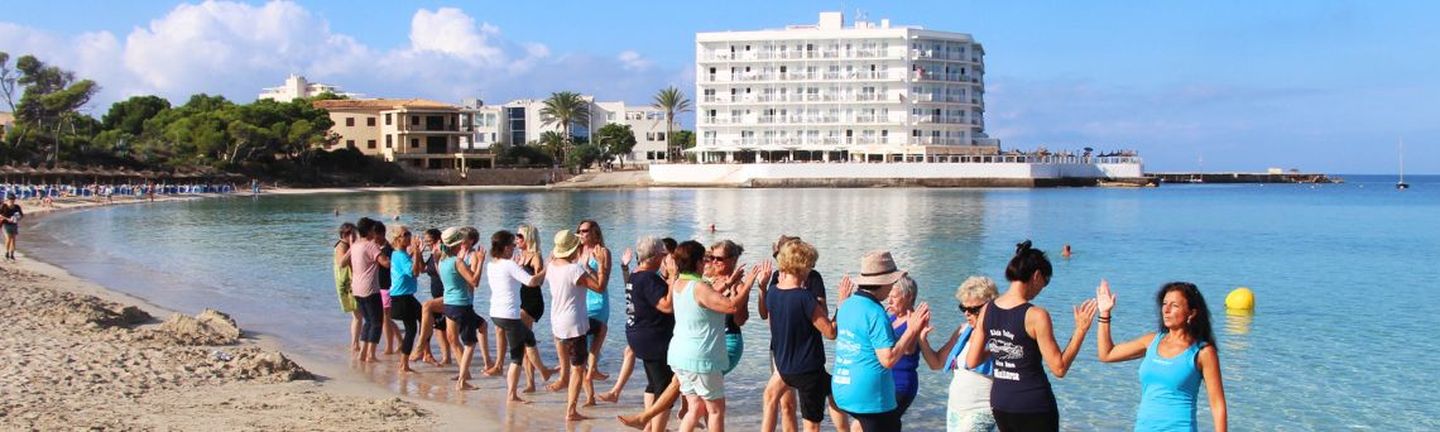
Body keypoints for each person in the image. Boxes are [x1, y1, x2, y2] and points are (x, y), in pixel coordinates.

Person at [965, 241, 1098, 431]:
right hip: (1033, 405)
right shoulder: (1036, 315)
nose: (1041, 290)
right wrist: (1080, 331)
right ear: (1036, 276)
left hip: (1001, 403)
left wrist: (999, 348)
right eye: (1044, 283)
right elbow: (1059, 368)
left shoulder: (987, 309)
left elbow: (972, 360)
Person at [1095, 281, 1228, 431]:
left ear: (1192, 313)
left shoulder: (1203, 352)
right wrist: (1104, 314)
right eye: (1164, 304)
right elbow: (1106, 354)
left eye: (1175, 305)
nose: (1166, 310)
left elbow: (1218, 406)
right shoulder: (1151, 341)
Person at [832, 250, 930, 432]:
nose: (891, 289)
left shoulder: (845, 305)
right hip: (871, 397)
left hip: (843, 388)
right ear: (884, 283)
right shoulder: (876, 313)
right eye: (892, 282)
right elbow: (888, 359)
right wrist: (913, 330)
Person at [668, 240, 751, 432]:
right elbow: (730, 306)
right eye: (707, 259)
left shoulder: (679, 283)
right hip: (701, 357)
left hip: (679, 355)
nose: (709, 263)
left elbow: (710, 301)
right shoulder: (699, 286)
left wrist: (731, 284)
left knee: (695, 407)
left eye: (715, 259)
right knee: (715, 410)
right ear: (698, 262)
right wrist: (749, 284)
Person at [768, 240, 850, 432]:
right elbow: (831, 332)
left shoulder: (772, 292)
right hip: (807, 371)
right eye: (810, 265)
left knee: (833, 389)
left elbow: (774, 326)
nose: (811, 269)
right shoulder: (805, 298)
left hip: (785, 367)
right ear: (801, 266)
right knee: (812, 425)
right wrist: (842, 304)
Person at [920, 276, 1000, 432]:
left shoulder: (998, 334)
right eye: (964, 308)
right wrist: (922, 339)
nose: (967, 314)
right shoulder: (962, 331)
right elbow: (936, 363)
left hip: (982, 411)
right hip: (955, 410)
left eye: (974, 310)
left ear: (990, 306)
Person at [758, 235, 820, 432]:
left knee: (803, 407)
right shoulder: (776, 281)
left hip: (803, 352)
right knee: (784, 404)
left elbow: (822, 317)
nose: (779, 260)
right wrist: (761, 288)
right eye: (777, 255)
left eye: (781, 255)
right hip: (780, 349)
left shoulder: (813, 278)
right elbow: (765, 315)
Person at [484, 230, 554, 403]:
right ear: (506, 247)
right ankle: (512, 395)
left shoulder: (492, 264)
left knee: (529, 338)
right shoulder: (509, 265)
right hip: (509, 315)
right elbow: (531, 281)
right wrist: (548, 267)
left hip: (495, 313)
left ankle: (543, 371)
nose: (515, 248)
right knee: (516, 357)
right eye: (513, 245)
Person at [616, 236, 676, 431]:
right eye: (663, 255)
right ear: (655, 256)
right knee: (666, 389)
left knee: (654, 383)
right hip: (653, 339)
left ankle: (650, 425)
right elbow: (666, 306)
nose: (665, 259)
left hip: (638, 335)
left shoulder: (635, 274)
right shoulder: (649, 278)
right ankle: (652, 426)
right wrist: (674, 276)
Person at [546, 229, 606, 421]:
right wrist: (600, 265)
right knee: (578, 369)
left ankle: (575, 373)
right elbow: (599, 287)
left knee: (600, 328)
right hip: (574, 324)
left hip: (557, 321)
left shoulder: (551, 266)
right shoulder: (574, 270)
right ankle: (571, 411)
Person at [441, 227, 490, 390]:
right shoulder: (458, 262)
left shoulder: (442, 261)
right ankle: (462, 381)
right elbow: (474, 282)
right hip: (461, 305)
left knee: (480, 326)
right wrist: (481, 261)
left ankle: (482, 363)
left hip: (448, 305)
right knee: (470, 344)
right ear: (457, 244)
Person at [576, 219, 614, 404]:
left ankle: (594, 368)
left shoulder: (603, 252)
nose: (581, 234)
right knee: (582, 350)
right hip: (581, 301)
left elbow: (603, 284)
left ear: (595, 233)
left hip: (598, 303)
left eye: (585, 231)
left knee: (593, 343)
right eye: (580, 231)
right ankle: (589, 396)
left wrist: (590, 268)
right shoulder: (577, 251)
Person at [344, 217, 391, 363]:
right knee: (376, 322)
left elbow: (342, 262)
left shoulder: (355, 245)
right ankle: (371, 354)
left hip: (356, 288)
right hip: (370, 288)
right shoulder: (371, 246)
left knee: (368, 321)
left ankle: (362, 354)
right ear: (370, 231)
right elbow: (386, 264)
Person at [514, 223, 553, 392]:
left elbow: (540, 281)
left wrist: (545, 268)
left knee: (524, 340)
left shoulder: (535, 256)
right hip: (521, 300)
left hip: (532, 301)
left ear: (528, 238)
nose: (516, 239)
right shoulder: (519, 256)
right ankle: (531, 382)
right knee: (524, 342)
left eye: (520, 236)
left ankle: (540, 373)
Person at [413, 228, 455, 366]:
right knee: (439, 328)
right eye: (426, 241)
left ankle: (420, 348)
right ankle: (446, 358)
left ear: (438, 240)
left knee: (427, 307)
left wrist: (436, 257)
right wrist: (418, 253)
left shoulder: (443, 254)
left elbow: (443, 273)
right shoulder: (433, 254)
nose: (427, 244)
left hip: (446, 295)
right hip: (436, 295)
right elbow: (422, 269)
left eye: (430, 241)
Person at [884, 275, 923, 419]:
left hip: (901, 385)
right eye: (888, 296)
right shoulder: (891, 317)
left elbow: (908, 349)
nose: (889, 301)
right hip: (885, 382)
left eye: (894, 297)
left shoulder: (914, 322)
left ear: (909, 296)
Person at [387, 226, 425, 373]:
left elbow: (420, 268)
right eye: (405, 235)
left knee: (425, 319)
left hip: (405, 296)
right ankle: (406, 362)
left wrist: (418, 253)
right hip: (401, 298)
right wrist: (415, 252)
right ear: (397, 239)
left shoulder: (400, 254)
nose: (409, 237)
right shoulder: (400, 255)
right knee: (412, 329)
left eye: (409, 233)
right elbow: (414, 272)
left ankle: (421, 352)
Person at [332, 223, 361, 352]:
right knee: (358, 315)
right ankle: (355, 344)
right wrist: (352, 248)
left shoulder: (345, 245)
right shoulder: (341, 246)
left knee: (358, 315)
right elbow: (341, 263)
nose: (356, 237)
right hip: (347, 284)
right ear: (345, 235)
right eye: (353, 234)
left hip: (349, 283)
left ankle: (355, 344)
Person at [1, 193, 22, 261]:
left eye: (13, 199)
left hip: (14, 224)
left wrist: (17, 218)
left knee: (13, 240)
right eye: (10, 199)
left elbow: (21, 215)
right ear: (7, 199)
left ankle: (12, 254)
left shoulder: (17, 207)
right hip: (5, 224)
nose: (12, 200)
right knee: (8, 238)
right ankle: (7, 253)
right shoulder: (3, 206)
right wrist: (7, 219)